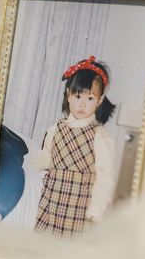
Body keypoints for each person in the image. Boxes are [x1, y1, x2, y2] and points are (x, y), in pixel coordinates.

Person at [33, 56, 116, 238]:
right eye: (78, 96)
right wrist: (31, 164)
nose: (82, 104)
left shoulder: (100, 136)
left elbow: (105, 179)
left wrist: (96, 211)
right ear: (68, 94)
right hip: (51, 202)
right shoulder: (56, 128)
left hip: (79, 209)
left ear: (100, 100)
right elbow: (47, 156)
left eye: (90, 98)